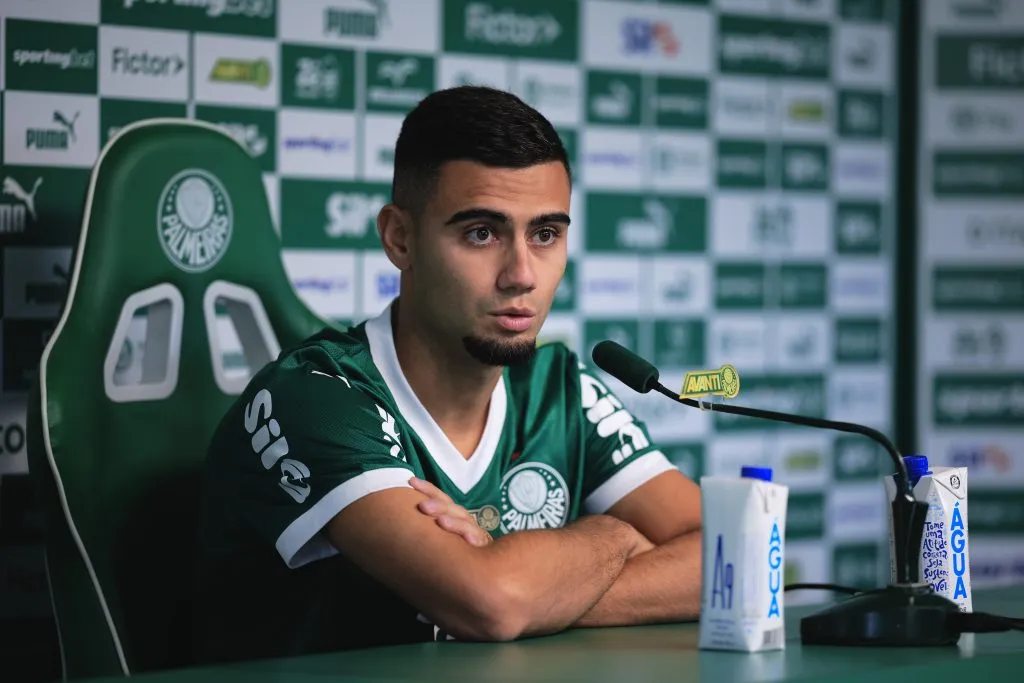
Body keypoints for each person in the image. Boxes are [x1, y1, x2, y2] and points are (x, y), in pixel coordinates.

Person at [191, 85, 702, 665]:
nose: (522, 274)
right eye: (481, 233)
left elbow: (739, 550)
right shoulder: (316, 394)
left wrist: (538, 584)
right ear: (400, 238)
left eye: (545, 234)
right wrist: (616, 535)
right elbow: (491, 603)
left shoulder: (560, 387)